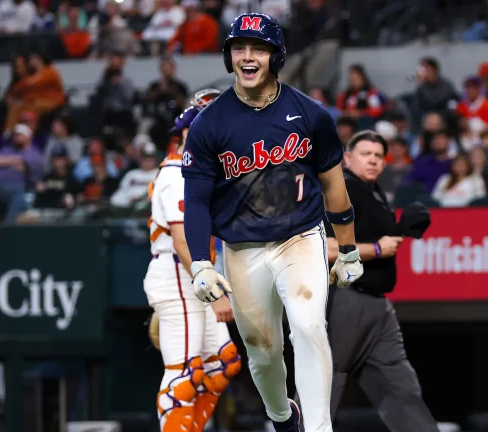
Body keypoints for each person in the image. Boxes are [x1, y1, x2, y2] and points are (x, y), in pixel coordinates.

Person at [181, 13, 363, 432]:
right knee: (262, 351)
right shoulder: (210, 122)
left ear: (275, 56)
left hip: (300, 237)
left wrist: (349, 248)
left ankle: (319, 428)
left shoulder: (311, 114)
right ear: (229, 57)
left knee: (309, 324)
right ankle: (283, 416)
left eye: (258, 48)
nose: (247, 56)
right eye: (239, 48)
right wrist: (200, 263)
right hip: (242, 250)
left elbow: (335, 187)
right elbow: (196, 202)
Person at [322, 130, 439, 432]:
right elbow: (326, 248)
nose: (372, 160)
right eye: (365, 154)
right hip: (346, 297)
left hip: (377, 306)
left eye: (378, 156)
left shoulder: (374, 194)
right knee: (324, 382)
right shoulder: (342, 190)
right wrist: (375, 249)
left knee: (401, 387)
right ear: (348, 158)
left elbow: (381, 238)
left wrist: (401, 230)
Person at [145, 90, 241, 432]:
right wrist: (214, 292)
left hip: (192, 277)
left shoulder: (204, 174)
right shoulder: (175, 174)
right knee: (184, 376)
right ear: (186, 132)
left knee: (222, 365)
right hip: (178, 273)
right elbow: (183, 239)